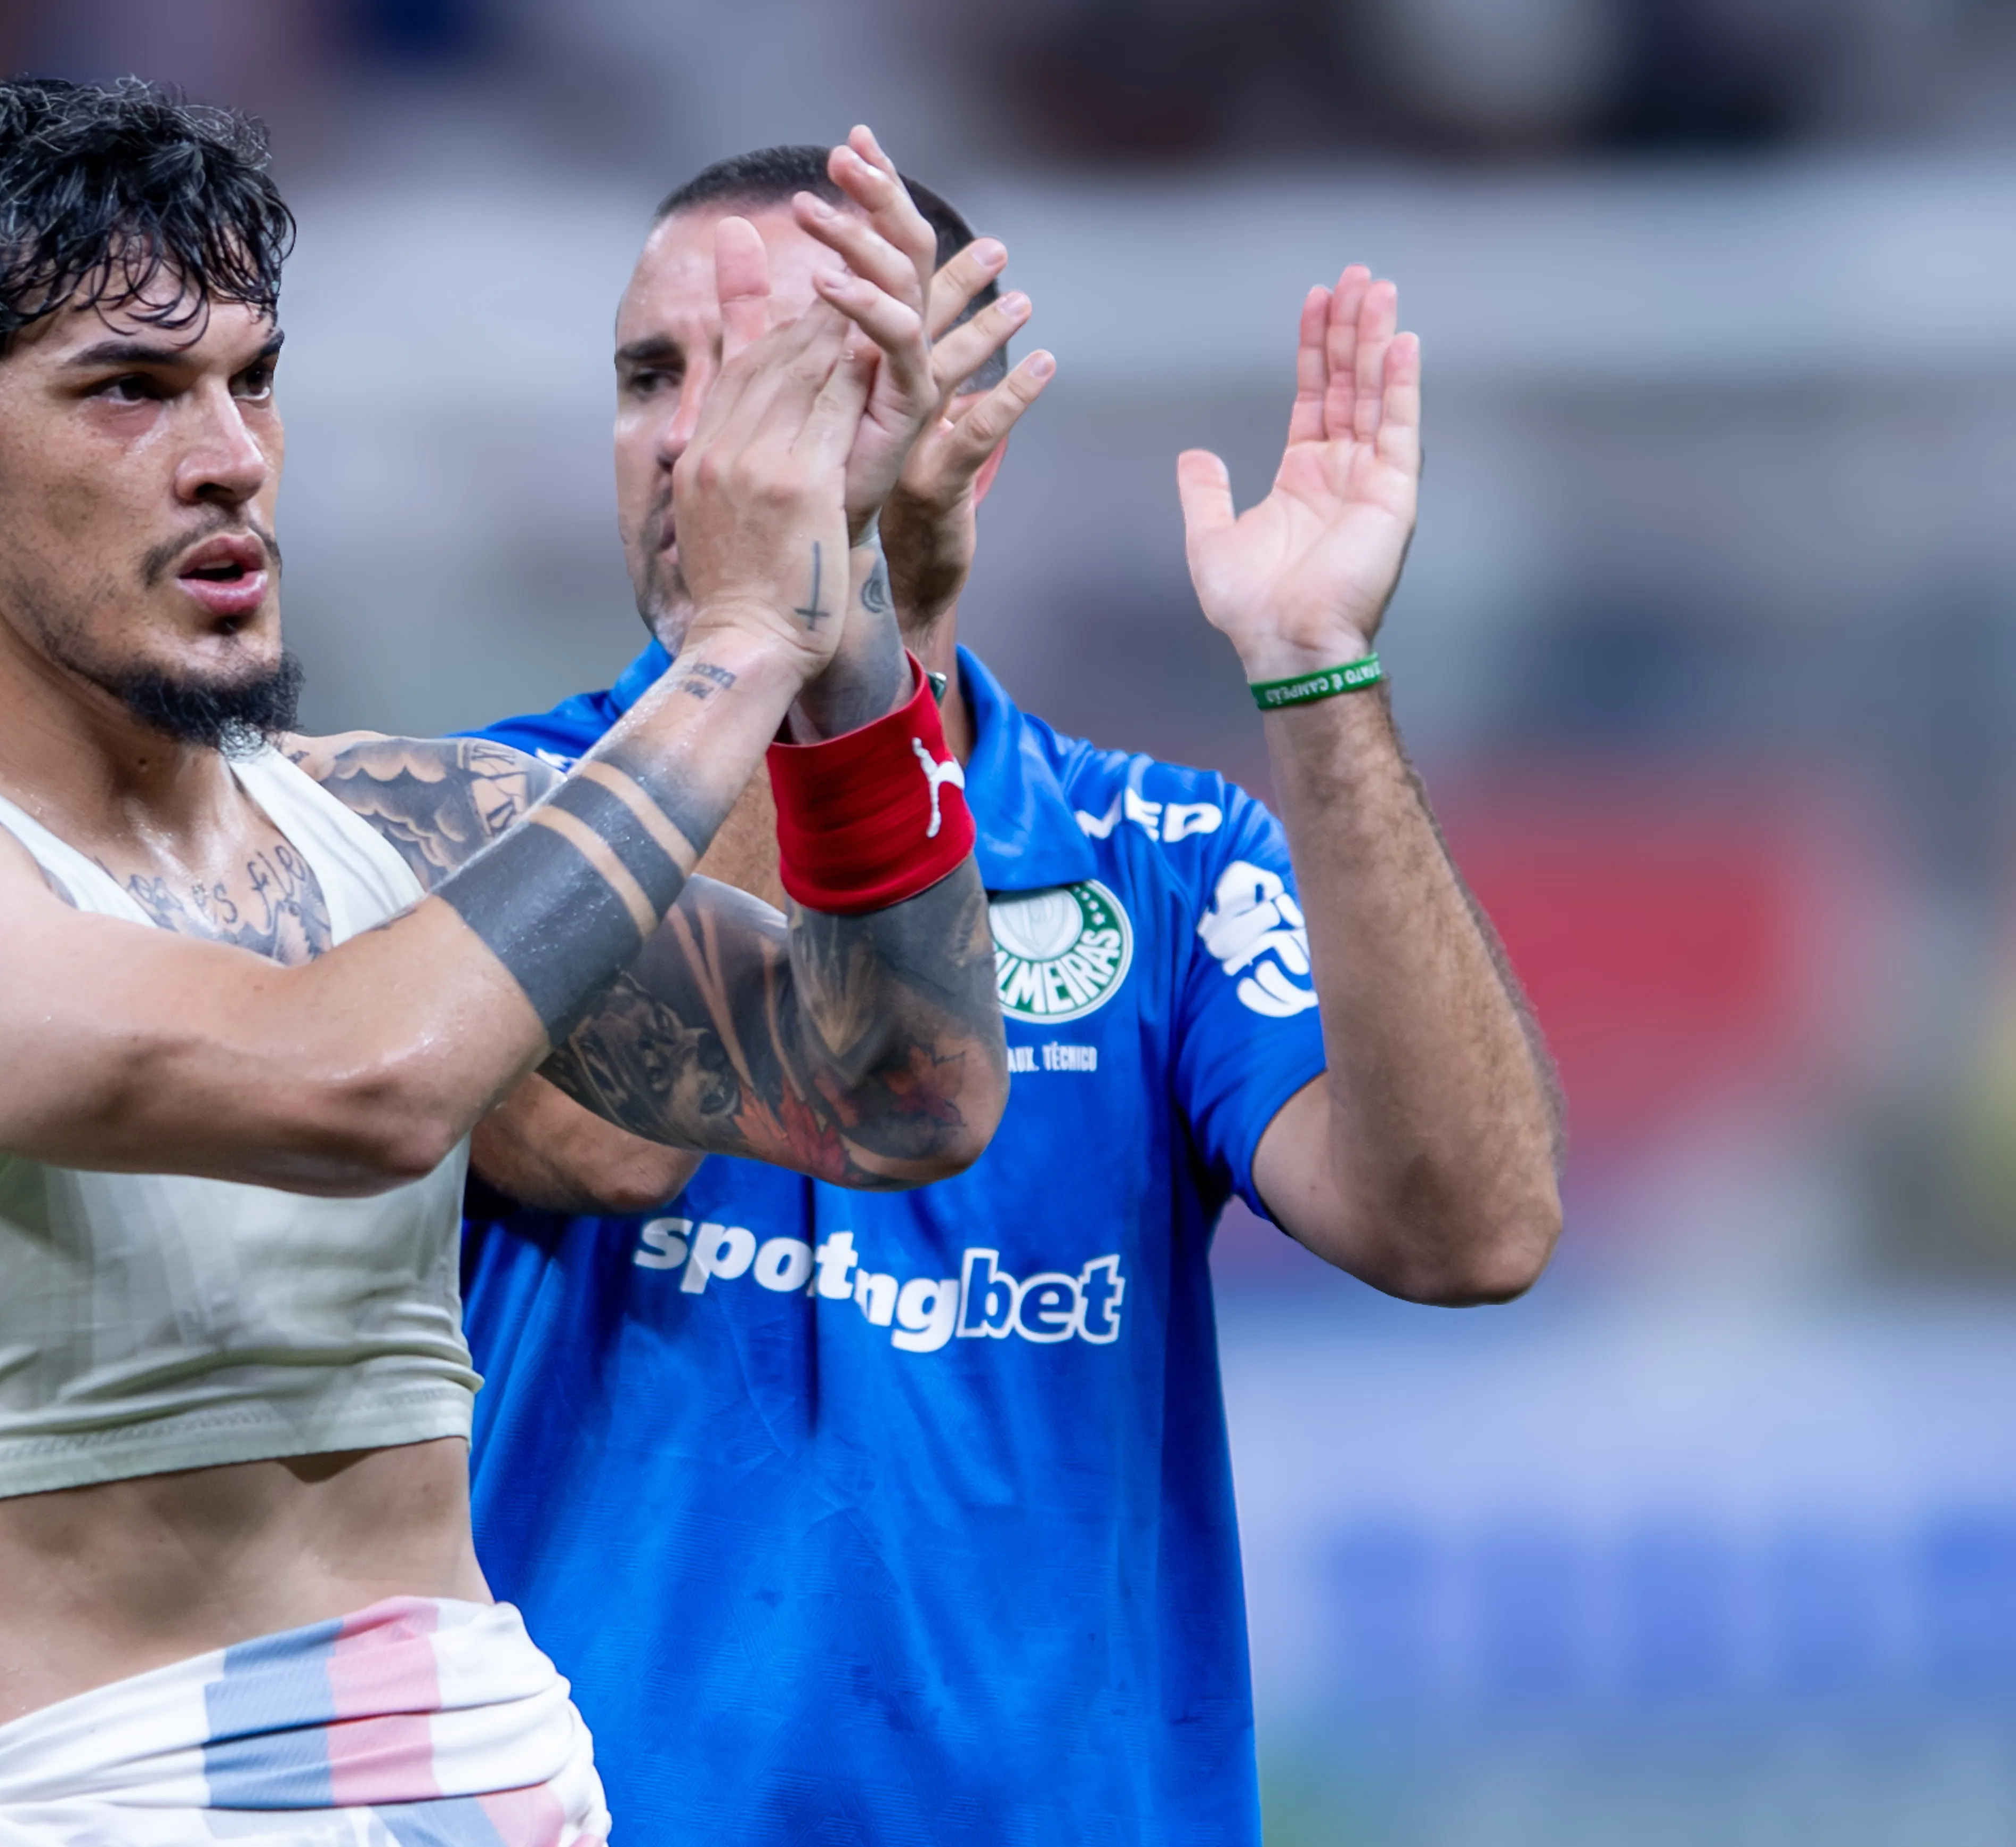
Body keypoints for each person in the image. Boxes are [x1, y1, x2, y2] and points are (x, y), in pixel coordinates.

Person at [0, 84, 1009, 1845]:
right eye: (131, 389)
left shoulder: (396, 823)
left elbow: (900, 1092)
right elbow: (361, 1082)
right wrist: (745, 638)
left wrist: (854, 617)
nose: (229, 455)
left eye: (253, 379)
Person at [454, 144, 1567, 1845]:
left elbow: (1471, 1232)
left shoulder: (1162, 860)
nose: (699, 439)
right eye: (651, 376)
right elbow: (613, 1144)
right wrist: (794, 626)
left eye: (784, 375)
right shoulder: (470, 822)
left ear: (960, 425)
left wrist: (1316, 667)